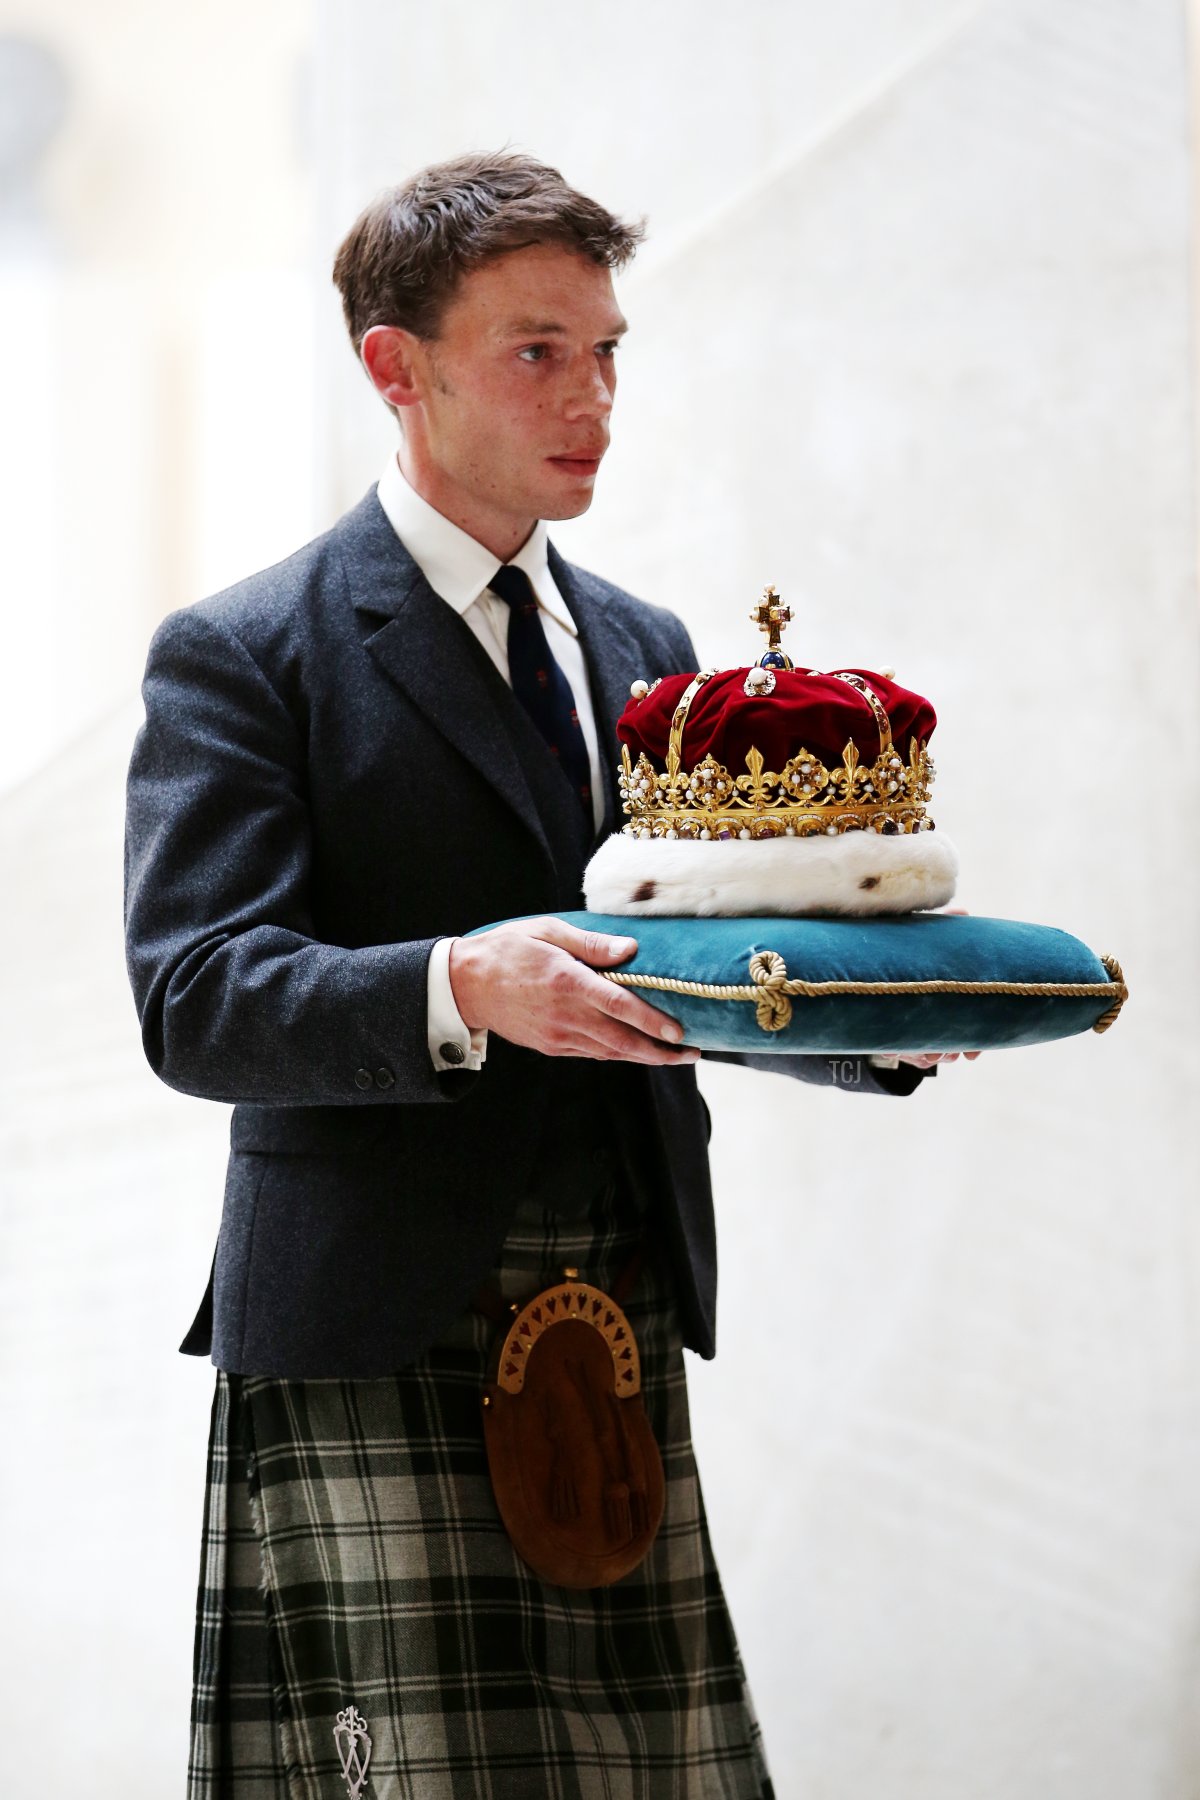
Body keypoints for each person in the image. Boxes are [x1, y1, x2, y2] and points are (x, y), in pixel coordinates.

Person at [124, 149, 968, 1800]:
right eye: (536, 352)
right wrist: (458, 982)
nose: (590, 397)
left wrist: (872, 1031)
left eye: (605, 351)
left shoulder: (650, 648)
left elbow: (678, 967)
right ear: (396, 366)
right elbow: (195, 995)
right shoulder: (246, 652)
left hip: (616, 1307)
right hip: (374, 1325)